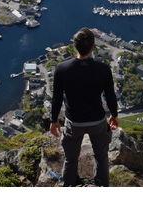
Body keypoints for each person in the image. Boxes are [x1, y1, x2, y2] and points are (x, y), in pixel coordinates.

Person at [49, 27, 119, 186]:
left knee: (70, 159)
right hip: (98, 122)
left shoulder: (62, 69)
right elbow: (110, 96)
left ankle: (70, 184)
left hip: (74, 122)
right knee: (101, 157)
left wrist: (54, 120)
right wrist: (114, 115)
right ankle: (101, 185)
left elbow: (57, 98)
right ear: (93, 46)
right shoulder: (103, 69)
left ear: (75, 46)